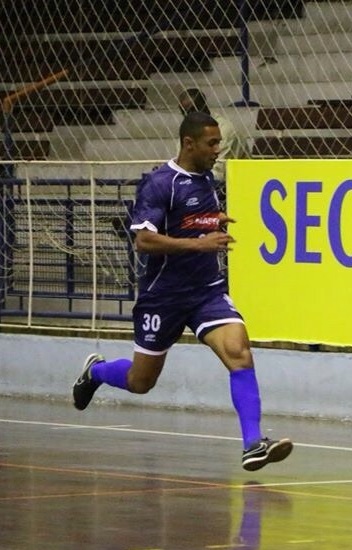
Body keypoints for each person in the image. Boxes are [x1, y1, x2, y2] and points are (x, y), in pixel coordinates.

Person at [72, 111, 292, 471]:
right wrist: (199, 244)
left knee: (239, 351)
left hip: (207, 292)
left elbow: (189, 222)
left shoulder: (206, 180)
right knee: (141, 382)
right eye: (212, 143)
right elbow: (143, 240)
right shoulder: (160, 183)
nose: (218, 149)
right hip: (164, 296)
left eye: (219, 142)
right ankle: (95, 372)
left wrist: (209, 222)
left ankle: (253, 443)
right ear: (188, 143)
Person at [178, 88, 249, 184]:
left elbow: (217, 174)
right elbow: (181, 163)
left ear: (203, 106)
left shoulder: (224, 130)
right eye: (183, 112)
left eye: (192, 110)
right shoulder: (189, 128)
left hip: (234, 184)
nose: (187, 115)